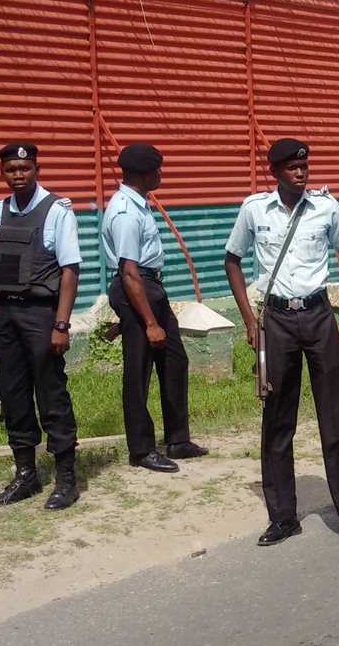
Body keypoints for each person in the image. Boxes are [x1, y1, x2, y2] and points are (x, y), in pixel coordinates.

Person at [224, 138, 339, 548]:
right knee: (277, 421)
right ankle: (282, 517)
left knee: (336, 418)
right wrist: (250, 320)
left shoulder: (326, 207)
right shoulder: (254, 209)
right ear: (275, 172)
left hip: (320, 316)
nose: (301, 173)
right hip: (278, 322)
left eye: (304, 166)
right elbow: (231, 260)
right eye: (291, 167)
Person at [0, 142, 82, 510]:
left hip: (42, 314)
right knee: (12, 394)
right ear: (3, 173)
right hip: (6, 313)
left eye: (24, 168)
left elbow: (70, 270)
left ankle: (66, 479)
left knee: (51, 394)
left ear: (36, 169)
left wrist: (61, 323)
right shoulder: (0, 209)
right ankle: (25, 475)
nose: (17, 175)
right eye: (10, 169)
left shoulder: (57, 210)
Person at [102, 142, 207, 473]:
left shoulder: (139, 204)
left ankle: (178, 439)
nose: (162, 174)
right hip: (136, 288)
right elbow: (129, 271)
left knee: (175, 360)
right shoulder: (125, 212)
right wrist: (149, 323)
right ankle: (141, 449)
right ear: (145, 173)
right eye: (158, 169)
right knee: (139, 371)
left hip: (150, 287)